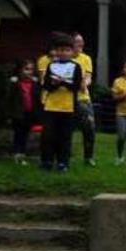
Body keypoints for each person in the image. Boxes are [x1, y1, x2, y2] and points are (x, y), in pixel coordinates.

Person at [40, 32, 83, 172]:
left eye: (66, 50)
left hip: (68, 107)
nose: (63, 53)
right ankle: (47, 161)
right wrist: (55, 84)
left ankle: (63, 162)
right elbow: (46, 85)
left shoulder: (76, 67)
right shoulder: (51, 66)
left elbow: (76, 86)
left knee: (64, 136)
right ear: (56, 51)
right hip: (51, 106)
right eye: (60, 50)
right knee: (48, 135)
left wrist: (62, 82)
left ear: (71, 52)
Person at [6, 59, 41, 165]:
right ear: (20, 70)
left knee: (25, 135)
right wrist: (9, 114)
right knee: (18, 134)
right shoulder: (15, 83)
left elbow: (37, 99)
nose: (29, 72)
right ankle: (17, 154)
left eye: (31, 69)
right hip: (18, 114)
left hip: (29, 113)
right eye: (26, 69)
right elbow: (9, 99)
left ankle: (22, 154)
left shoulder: (34, 84)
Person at [70, 33, 97, 166]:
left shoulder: (86, 58)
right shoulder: (65, 58)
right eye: (77, 41)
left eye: (82, 41)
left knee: (90, 127)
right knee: (67, 128)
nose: (81, 44)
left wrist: (85, 83)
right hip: (67, 99)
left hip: (83, 98)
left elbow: (88, 76)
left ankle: (88, 157)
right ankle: (65, 156)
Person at [111, 60, 126, 167]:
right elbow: (115, 98)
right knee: (121, 136)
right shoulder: (118, 81)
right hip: (121, 112)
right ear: (123, 69)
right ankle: (119, 156)